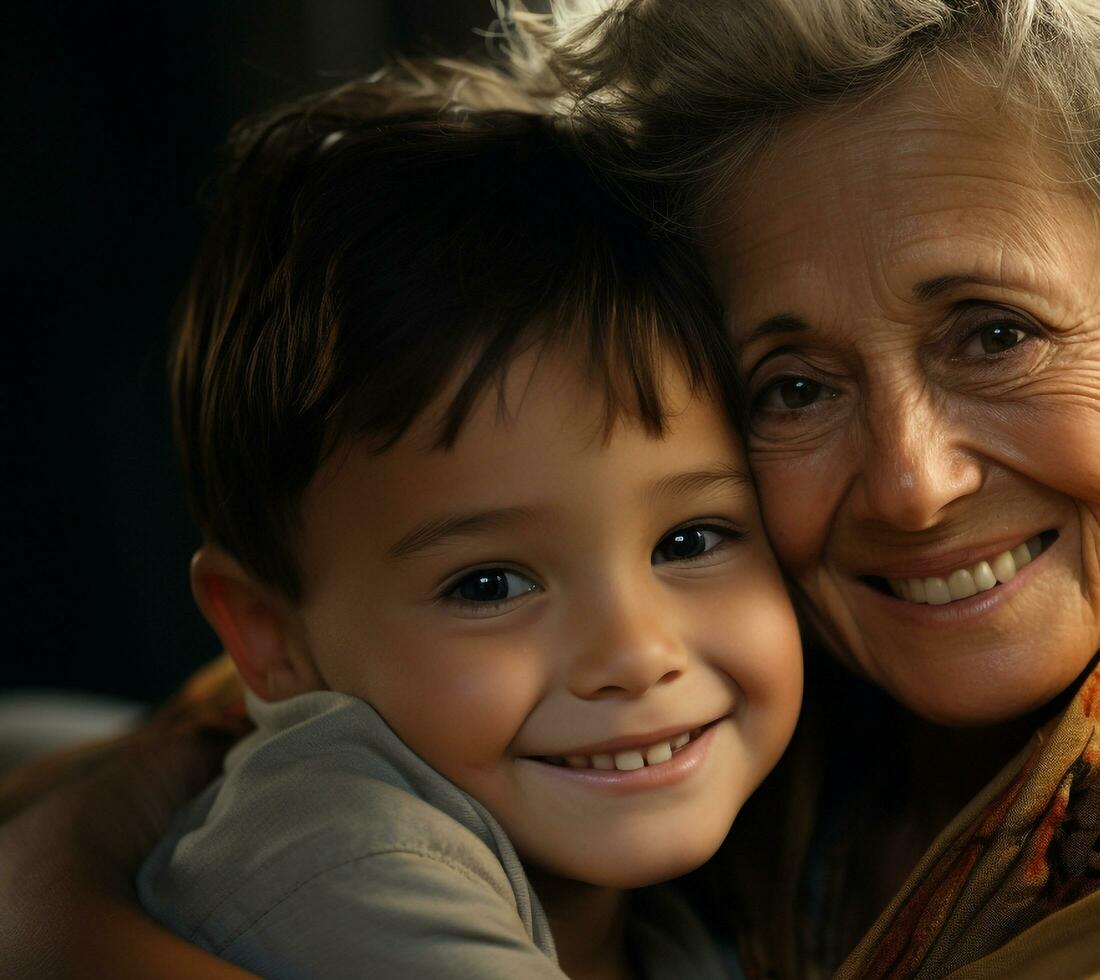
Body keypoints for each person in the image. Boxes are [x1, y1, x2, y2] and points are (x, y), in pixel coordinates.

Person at [3, 2, 1100, 977]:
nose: (910, 486)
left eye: (990, 332)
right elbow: (238, 739)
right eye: (791, 383)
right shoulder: (701, 637)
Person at [132, 62, 802, 980]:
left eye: (690, 540)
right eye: (488, 585)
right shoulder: (342, 851)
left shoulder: (671, 918)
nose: (637, 655)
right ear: (267, 632)